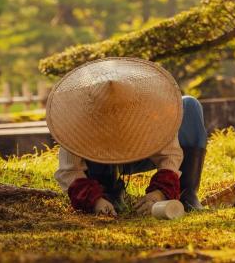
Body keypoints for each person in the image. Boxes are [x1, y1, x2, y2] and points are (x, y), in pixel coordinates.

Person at [45, 57, 207, 216]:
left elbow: (170, 155)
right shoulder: (75, 121)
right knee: (101, 186)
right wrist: (94, 200)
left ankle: (186, 193)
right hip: (99, 164)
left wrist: (160, 192)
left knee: (190, 105)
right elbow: (69, 170)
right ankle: (109, 193)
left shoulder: (151, 109)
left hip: (143, 156)